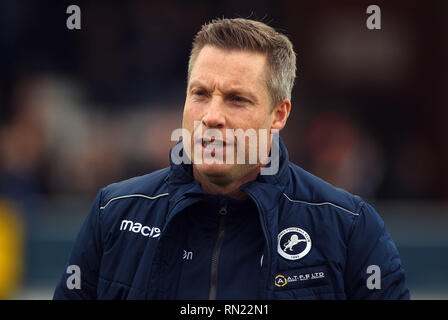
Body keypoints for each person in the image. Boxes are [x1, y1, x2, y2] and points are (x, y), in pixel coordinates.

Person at [53, 18, 409, 300]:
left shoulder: (349, 228)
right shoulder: (113, 214)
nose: (211, 116)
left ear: (279, 114)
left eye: (237, 99)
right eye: (201, 93)